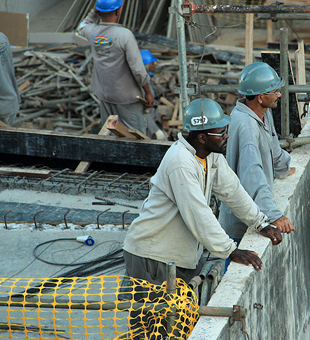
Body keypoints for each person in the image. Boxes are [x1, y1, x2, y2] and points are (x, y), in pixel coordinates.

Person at [122, 97, 283, 286]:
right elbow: (198, 213)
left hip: (178, 257)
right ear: (202, 138)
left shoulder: (211, 155)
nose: (227, 137)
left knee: (181, 314)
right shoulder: (180, 162)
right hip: (153, 256)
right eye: (221, 133)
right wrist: (231, 251)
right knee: (157, 315)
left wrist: (260, 224)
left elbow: (233, 191)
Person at [218, 62, 296, 264]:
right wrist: (274, 215)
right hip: (240, 224)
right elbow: (252, 175)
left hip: (254, 212)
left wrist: (283, 168)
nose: (279, 95)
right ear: (260, 97)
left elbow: (274, 149)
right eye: (275, 91)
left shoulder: (263, 113)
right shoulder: (247, 127)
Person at [76, 0, 154, 133]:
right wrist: (147, 91)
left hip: (106, 96)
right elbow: (138, 69)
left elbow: (81, 26)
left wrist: (96, 10)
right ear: (119, 10)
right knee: (135, 136)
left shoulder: (92, 32)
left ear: (99, 11)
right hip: (127, 98)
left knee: (110, 132)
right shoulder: (124, 35)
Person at [140, 49, 166, 140]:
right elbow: (144, 112)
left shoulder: (149, 80)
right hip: (147, 126)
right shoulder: (143, 86)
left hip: (153, 121)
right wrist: (155, 130)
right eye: (152, 63)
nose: (154, 65)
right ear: (146, 65)